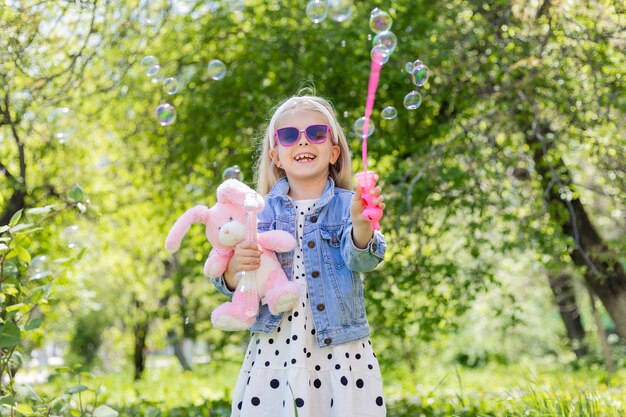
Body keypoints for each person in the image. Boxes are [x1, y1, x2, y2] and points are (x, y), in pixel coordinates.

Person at [211, 93, 387, 417]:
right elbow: (227, 280)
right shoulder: (257, 211)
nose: (303, 142)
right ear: (275, 155)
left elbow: (361, 259)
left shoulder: (349, 205)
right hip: (275, 352)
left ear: (334, 151)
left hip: (339, 353)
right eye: (289, 135)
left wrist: (362, 224)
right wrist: (235, 269)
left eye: (316, 133)